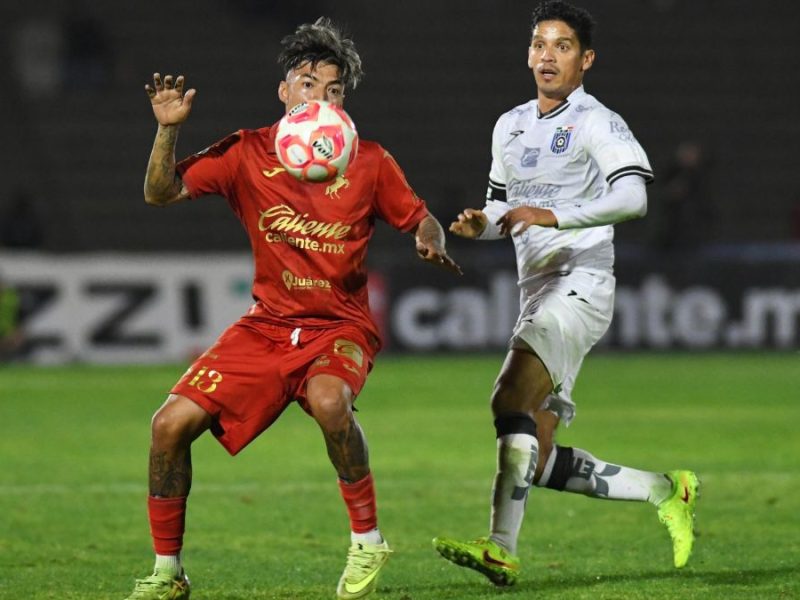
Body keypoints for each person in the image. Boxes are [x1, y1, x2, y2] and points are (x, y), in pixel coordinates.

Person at [128, 17, 460, 600]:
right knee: (167, 426)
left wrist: (429, 236)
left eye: (332, 90)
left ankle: (367, 539)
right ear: (284, 92)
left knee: (331, 402)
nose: (319, 98)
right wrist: (167, 131)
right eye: (307, 84)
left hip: (339, 325)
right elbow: (159, 193)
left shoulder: (371, 161)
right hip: (268, 326)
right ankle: (167, 573)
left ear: (344, 102)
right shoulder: (246, 152)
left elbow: (421, 215)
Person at [433, 1, 698, 586]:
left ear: (586, 59)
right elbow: (507, 206)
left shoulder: (598, 121)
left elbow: (633, 199)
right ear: (528, 54)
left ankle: (500, 548)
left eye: (562, 45)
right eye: (539, 44)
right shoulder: (510, 124)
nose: (548, 55)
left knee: (508, 400)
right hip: (538, 287)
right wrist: (485, 222)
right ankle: (666, 488)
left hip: (582, 281)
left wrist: (553, 215)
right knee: (539, 453)